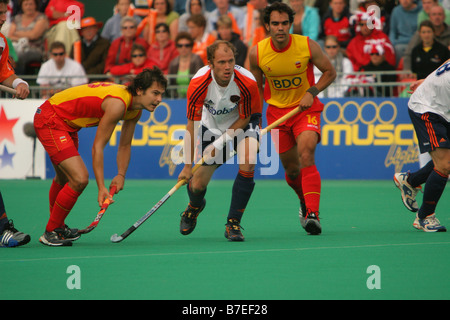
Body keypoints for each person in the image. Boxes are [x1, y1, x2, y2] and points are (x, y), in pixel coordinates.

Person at [34, 67, 167, 246]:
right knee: (80, 178)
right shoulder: (118, 104)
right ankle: (50, 231)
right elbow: (98, 147)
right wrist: (101, 187)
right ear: (139, 90)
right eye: (155, 93)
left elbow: (125, 145)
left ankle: (58, 227)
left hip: (67, 124)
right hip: (51, 118)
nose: (159, 100)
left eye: (161, 94)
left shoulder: (135, 110)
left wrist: (121, 174)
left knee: (64, 177)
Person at [249, 2, 336, 235]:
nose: (280, 28)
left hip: (305, 110)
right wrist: (255, 120)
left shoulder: (307, 45)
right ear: (267, 26)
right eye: (275, 24)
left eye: (285, 23)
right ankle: (303, 201)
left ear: (291, 23)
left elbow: (330, 72)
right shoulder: (256, 52)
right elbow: (256, 88)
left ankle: (313, 214)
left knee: (306, 152)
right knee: (292, 170)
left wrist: (312, 92)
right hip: (277, 115)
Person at [178, 40, 262, 241]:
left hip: (243, 121)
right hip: (212, 125)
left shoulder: (247, 82)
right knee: (197, 184)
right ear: (210, 64)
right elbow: (192, 127)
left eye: (231, 61)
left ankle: (233, 222)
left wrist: (218, 144)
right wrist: (187, 166)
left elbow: (245, 118)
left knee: (249, 158)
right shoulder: (199, 84)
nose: (227, 67)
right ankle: (194, 206)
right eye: (222, 62)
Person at [393, 60, 450, 232]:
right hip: (427, 108)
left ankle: (410, 180)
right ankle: (425, 216)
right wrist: (428, 81)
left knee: (445, 160)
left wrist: (427, 79)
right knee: (445, 164)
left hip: (442, 106)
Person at [0, 0, 31, 247]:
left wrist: (19, 82)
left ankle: (1, 229)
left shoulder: (1, 41)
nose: (2, 19)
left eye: (4, 13)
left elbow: (5, 74)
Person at [403, 5, 450, 72]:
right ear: (429, 17)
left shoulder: (444, 48)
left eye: (439, 14)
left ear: (444, 17)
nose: (437, 17)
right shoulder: (418, 35)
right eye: (434, 14)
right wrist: (407, 70)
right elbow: (408, 53)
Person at [7, 0, 49, 75]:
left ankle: (18, 79)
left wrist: (17, 33)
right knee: (8, 54)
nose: (28, 7)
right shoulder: (17, 18)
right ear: (22, 6)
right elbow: (10, 36)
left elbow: (33, 35)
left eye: (30, 4)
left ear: (35, 5)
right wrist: (24, 37)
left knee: (19, 55)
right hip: (16, 46)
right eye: (25, 4)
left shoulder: (42, 18)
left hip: (36, 49)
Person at [168, 32, 204, 98]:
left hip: (195, 98)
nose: (183, 48)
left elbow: (200, 82)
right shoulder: (173, 63)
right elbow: (171, 83)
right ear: (177, 47)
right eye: (180, 45)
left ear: (191, 46)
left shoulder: (197, 60)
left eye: (187, 45)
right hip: (177, 99)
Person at [389, 0, 422, 65]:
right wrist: (392, 44)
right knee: (396, 49)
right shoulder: (396, 11)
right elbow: (393, 31)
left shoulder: (421, 10)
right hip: (400, 43)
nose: (405, 1)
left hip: (417, 42)